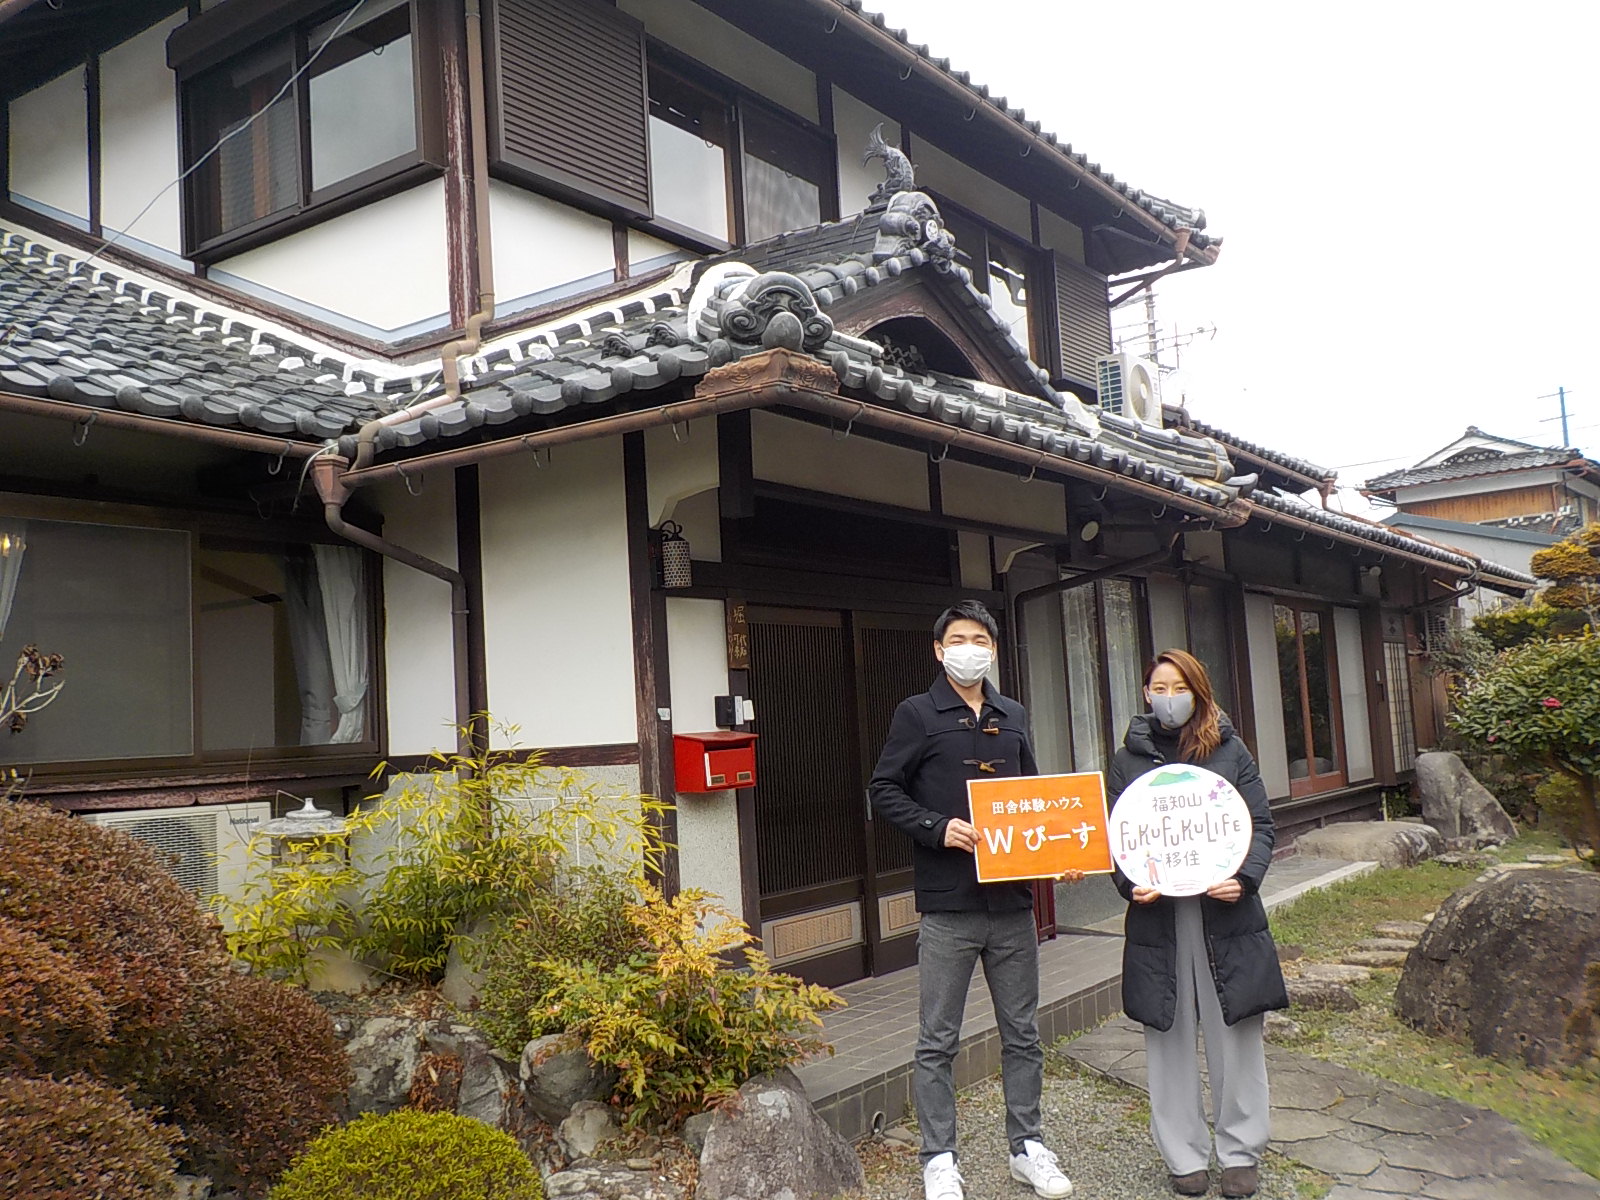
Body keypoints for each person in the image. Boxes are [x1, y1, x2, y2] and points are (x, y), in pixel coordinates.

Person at [869, 600, 1078, 1200]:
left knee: (1023, 1034)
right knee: (937, 1039)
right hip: (948, 904)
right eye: (958, 640)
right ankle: (939, 1158)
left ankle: (1028, 1147)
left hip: (1012, 904)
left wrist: (1060, 852)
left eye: (980, 640)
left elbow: (1035, 798)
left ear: (993, 650)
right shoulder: (917, 713)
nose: (970, 649)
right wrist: (937, 828)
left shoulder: (1012, 714)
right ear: (939, 651)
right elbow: (883, 789)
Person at [1106, 649, 1288, 1199]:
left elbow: (1260, 824)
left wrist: (1246, 878)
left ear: (1199, 691)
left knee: (1237, 1032)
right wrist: (1130, 884)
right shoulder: (1127, 760)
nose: (1169, 698)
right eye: (1159, 688)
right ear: (1146, 693)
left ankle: (1241, 1150)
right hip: (1159, 918)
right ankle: (1182, 1153)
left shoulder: (1230, 750)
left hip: (1225, 912)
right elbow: (1116, 837)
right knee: (1168, 1032)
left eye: (1179, 687)